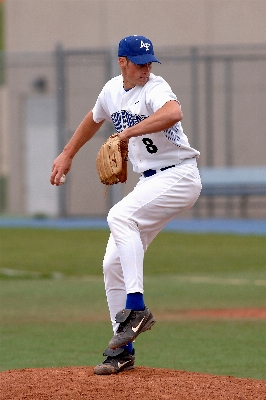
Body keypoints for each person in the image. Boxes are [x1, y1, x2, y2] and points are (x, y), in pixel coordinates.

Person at [50, 35, 202, 375]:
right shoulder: (111, 91)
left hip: (179, 175)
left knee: (119, 215)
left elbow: (173, 112)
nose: (145, 69)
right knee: (111, 264)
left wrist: (125, 135)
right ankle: (124, 350)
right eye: (138, 63)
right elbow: (93, 119)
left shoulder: (155, 88)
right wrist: (67, 153)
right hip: (151, 181)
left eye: (149, 62)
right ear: (122, 62)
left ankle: (136, 308)